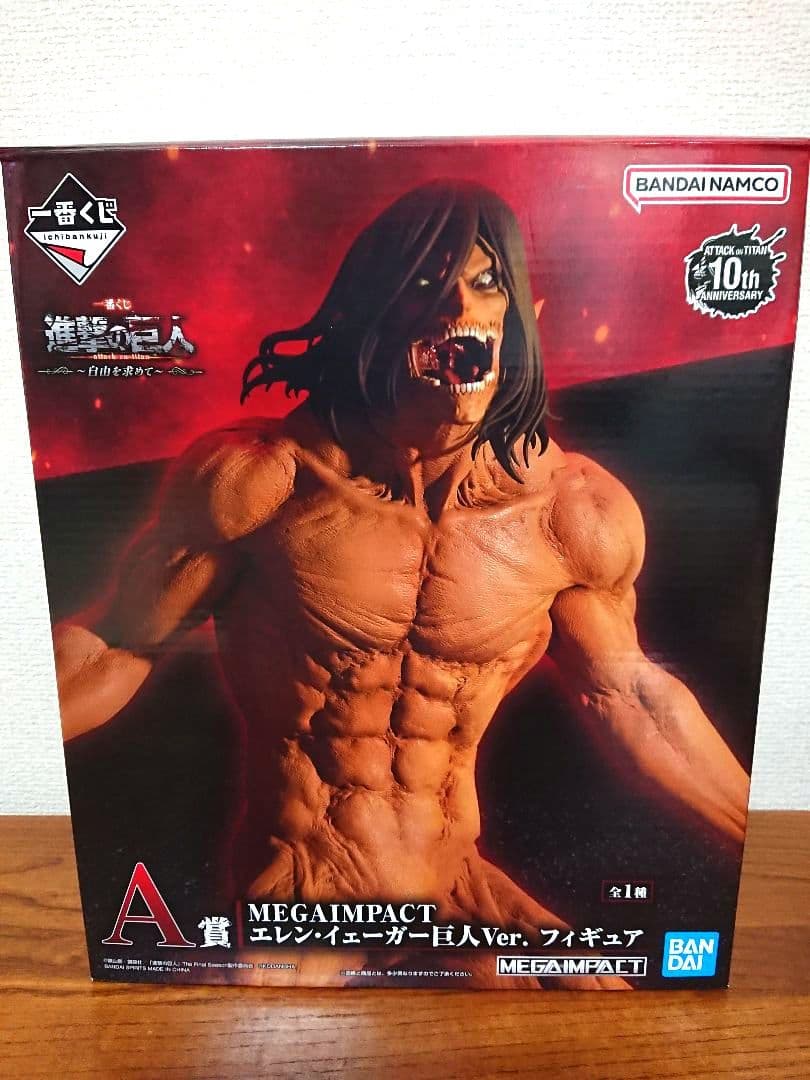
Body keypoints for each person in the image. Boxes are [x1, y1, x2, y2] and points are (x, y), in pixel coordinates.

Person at [55, 180, 749, 988]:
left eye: (486, 283)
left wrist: (773, 839)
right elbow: (113, 648)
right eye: (426, 283)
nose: (459, 305)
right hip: (305, 890)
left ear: (520, 319)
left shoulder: (573, 513)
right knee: (256, 1029)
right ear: (375, 317)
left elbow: (632, 697)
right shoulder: (262, 482)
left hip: (458, 887)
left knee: (612, 1010)